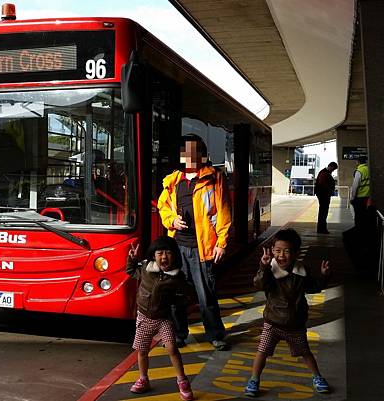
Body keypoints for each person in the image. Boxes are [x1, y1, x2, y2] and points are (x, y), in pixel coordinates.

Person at [158, 134, 231, 350]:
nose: (190, 156)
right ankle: (179, 335)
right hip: (177, 248)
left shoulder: (214, 178)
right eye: (186, 152)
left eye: (195, 152)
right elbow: (163, 208)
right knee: (176, 295)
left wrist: (221, 243)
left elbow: (224, 213)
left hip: (202, 248)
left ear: (202, 155)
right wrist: (172, 221)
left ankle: (215, 334)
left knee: (206, 296)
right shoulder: (173, 181)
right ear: (182, 155)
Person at [244, 228, 332, 397]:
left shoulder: (302, 272)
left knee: (306, 353)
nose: (281, 255)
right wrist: (263, 266)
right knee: (262, 352)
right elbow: (259, 284)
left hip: (295, 324)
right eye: (277, 251)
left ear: (297, 253)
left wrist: (324, 276)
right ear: (272, 251)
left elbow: (314, 287)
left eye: (286, 251)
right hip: (272, 323)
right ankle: (254, 380)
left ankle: (317, 377)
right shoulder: (269, 271)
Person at [126, 236, 193, 401]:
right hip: (143, 317)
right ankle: (143, 380)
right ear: (153, 256)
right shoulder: (146, 269)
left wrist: (176, 301)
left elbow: (188, 294)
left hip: (163, 319)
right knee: (142, 351)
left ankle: (183, 382)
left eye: (168, 253)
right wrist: (132, 259)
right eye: (160, 253)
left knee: (172, 348)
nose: (164, 257)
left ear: (175, 256)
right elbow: (130, 270)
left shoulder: (176, 277)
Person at [314, 161, 338, 234]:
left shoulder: (325, 173)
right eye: (333, 169)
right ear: (330, 166)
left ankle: (321, 229)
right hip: (323, 195)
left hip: (323, 195)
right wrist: (329, 190)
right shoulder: (324, 173)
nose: (333, 171)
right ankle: (322, 229)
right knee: (323, 212)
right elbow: (322, 183)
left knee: (323, 212)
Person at [350, 156, 370, 233]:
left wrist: (352, 198)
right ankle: (364, 232)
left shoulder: (359, 171)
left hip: (360, 198)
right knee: (365, 216)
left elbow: (355, 186)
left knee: (358, 216)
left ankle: (358, 232)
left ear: (358, 162)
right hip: (367, 197)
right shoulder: (368, 169)